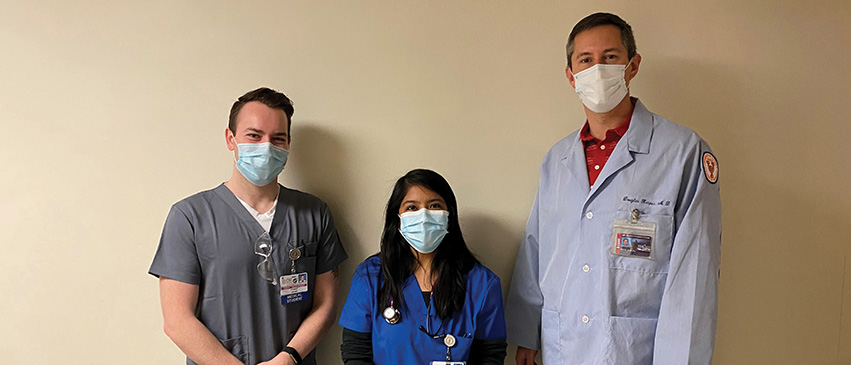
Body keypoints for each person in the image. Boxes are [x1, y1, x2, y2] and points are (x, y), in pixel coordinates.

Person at [505, 13, 722, 364]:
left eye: (610, 57)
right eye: (586, 60)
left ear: (632, 65)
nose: (597, 69)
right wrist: (527, 332)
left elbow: (693, 276)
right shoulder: (557, 160)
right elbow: (537, 249)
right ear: (571, 75)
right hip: (563, 344)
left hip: (635, 350)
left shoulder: (682, 152)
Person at [149, 87, 348, 365]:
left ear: (288, 143)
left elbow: (325, 305)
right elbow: (177, 320)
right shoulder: (190, 217)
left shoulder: (314, 213)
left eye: (277, 138)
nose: (266, 147)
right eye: (254, 136)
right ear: (231, 139)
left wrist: (288, 358)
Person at [339, 169, 507, 364]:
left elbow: (490, 356)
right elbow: (355, 352)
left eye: (434, 205)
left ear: (448, 216)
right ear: (398, 217)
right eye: (412, 207)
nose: (424, 215)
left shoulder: (482, 284)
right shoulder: (370, 277)